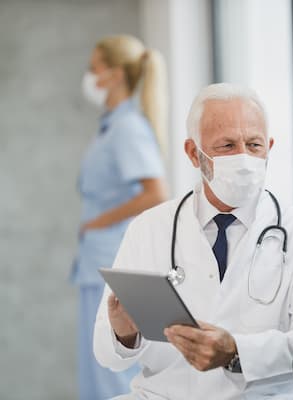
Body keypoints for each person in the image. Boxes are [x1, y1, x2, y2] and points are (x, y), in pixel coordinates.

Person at [93, 83, 293, 399]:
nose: (244, 158)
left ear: (270, 147)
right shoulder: (150, 228)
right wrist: (124, 334)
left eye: (254, 145)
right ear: (194, 153)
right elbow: (106, 355)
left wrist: (237, 351)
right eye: (227, 146)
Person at [72, 35, 168, 399]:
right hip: (96, 261)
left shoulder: (128, 127)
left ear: (113, 74)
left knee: (111, 373)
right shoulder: (112, 125)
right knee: (97, 373)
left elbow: (156, 192)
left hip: (110, 261)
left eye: (94, 67)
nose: (89, 76)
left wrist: (96, 222)